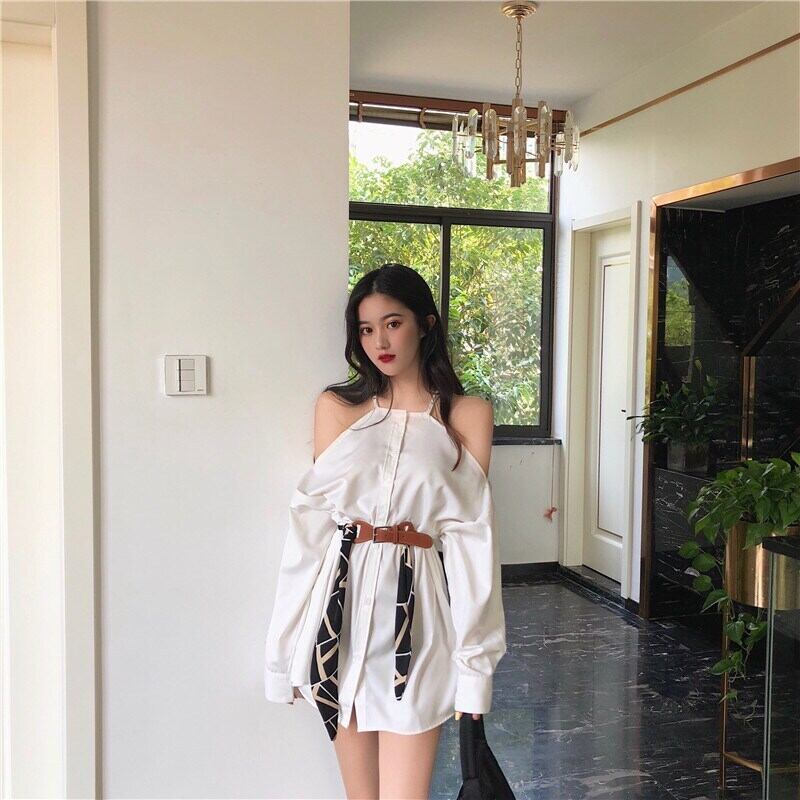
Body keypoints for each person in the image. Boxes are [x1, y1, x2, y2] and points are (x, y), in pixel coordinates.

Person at [263, 262, 507, 799]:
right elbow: (307, 538)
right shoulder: (338, 409)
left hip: (416, 626)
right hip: (341, 620)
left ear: (426, 324)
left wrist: (475, 670)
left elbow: (473, 547)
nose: (380, 342)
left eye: (393, 324)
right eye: (367, 329)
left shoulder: (467, 415)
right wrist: (284, 651)